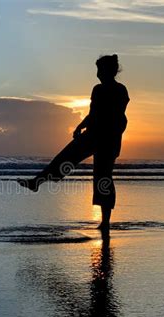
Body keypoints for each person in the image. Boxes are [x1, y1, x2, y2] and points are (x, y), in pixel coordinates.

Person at [18, 54, 129, 234]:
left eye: (100, 70)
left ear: (109, 71)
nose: (97, 74)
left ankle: (106, 221)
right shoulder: (97, 89)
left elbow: (113, 114)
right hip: (93, 133)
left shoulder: (120, 90)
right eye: (97, 70)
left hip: (108, 137)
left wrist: (93, 126)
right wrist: (81, 125)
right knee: (66, 156)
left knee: (103, 177)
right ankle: (37, 181)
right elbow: (93, 113)